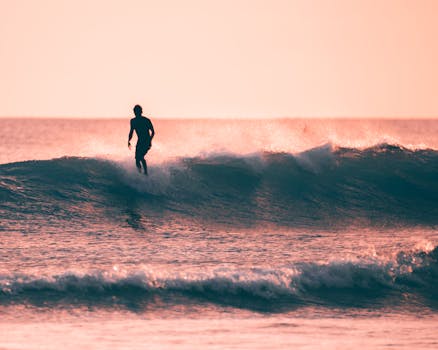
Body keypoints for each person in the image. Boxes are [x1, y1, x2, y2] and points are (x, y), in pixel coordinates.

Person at [128, 105, 155, 175]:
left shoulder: (146, 120)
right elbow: (131, 132)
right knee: (137, 159)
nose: (136, 113)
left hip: (146, 142)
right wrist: (129, 141)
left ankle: (145, 173)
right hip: (139, 142)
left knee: (140, 157)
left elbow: (153, 132)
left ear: (141, 112)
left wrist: (150, 140)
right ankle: (140, 173)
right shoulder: (133, 121)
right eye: (135, 111)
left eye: (137, 111)